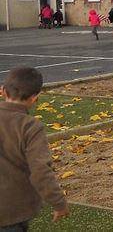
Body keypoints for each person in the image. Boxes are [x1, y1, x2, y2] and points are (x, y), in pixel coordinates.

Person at [0, 66, 69, 229]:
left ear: (3, 91)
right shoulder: (30, 126)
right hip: (11, 210)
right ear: (34, 98)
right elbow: (40, 170)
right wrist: (59, 203)